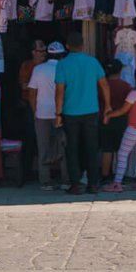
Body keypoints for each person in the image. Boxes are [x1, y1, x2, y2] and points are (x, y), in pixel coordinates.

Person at [55, 32, 105, 194]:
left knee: (72, 148)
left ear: (68, 46)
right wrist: (108, 106)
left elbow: (60, 91)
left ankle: (75, 184)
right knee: (91, 147)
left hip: (70, 113)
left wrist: (58, 113)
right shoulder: (93, 62)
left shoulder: (62, 64)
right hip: (91, 110)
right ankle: (93, 183)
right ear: (83, 45)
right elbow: (104, 85)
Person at [104, 70, 136, 192]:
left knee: (123, 154)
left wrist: (110, 115)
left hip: (134, 129)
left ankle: (117, 183)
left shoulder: (134, 94)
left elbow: (123, 110)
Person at [25, 42, 64, 190]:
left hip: (42, 113)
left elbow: (32, 93)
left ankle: (45, 181)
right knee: (63, 147)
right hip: (61, 113)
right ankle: (66, 180)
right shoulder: (64, 68)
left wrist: (35, 111)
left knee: (43, 147)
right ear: (62, 55)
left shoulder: (38, 69)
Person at [99, 58, 126, 187]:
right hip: (121, 120)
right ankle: (119, 175)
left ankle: (105, 176)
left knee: (106, 149)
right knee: (121, 150)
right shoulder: (125, 86)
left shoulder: (101, 85)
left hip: (104, 120)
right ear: (120, 71)